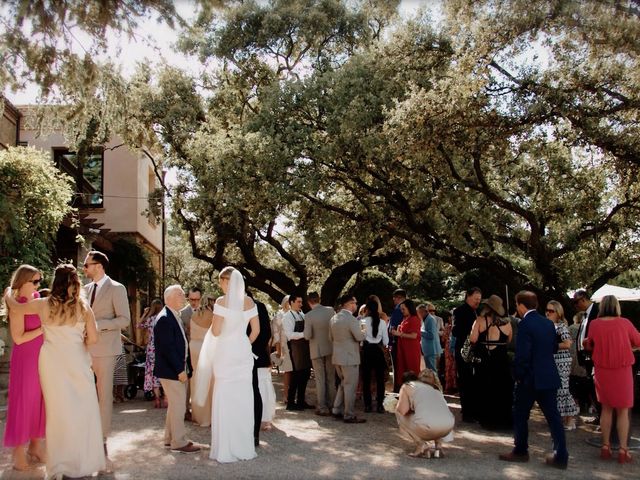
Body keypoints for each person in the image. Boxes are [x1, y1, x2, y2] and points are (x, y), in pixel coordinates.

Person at [5, 264, 106, 478]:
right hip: (78, 360)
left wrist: (7, 295)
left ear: (55, 283)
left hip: (51, 363)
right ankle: (86, 462)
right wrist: (80, 341)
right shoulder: (84, 308)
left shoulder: (42, 304)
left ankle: (60, 464)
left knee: (57, 413)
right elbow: (94, 339)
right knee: (84, 409)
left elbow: (16, 306)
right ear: (76, 283)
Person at [499, 291, 568, 469]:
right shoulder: (548, 324)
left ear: (521, 305)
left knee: (520, 414)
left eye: (516, 305)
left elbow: (523, 354)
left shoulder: (525, 325)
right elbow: (552, 347)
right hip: (548, 375)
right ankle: (561, 455)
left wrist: (518, 375)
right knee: (554, 418)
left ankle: (521, 450)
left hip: (530, 378)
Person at [196, 267, 259, 463]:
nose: (220, 285)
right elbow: (256, 331)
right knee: (243, 398)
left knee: (223, 395)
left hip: (225, 353)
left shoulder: (222, 302)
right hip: (242, 353)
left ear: (227, 282)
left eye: (221, 281)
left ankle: (225, 447)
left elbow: (215, 331)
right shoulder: (249, 301)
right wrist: (243, 344)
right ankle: (244, 446)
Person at [82, 250, 130, 460]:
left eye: (87, 265)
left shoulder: (117, 289)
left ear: (99, 266)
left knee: (103, 396)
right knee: (83, 394)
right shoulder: (84, 289)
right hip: (82, 350)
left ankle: (101, 440)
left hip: (106, 350)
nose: (84, 269)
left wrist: (97, 326)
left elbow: (124, 320)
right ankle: (84, 436)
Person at [583, 294, 640, 464]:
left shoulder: (594, 324)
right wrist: (630, 347)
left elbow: (589, 343)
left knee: (606, 409)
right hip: (622, 371)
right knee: (623, 411)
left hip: (602, 371)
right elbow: (638, 340)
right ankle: (623, 450)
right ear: (617, 307)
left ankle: (605, 446)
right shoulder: (625, 323)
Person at [2, 265, 46, 471]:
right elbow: (18, 338)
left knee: (39, 402)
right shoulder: (18, 304)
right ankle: (18, 453)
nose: (38, 285)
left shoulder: (36, 297)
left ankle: (35, 448)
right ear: (23, 282)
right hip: (25, 360)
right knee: (23, 404)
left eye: (39, 281)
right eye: (35, 281)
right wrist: (42, 329)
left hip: (41, 359)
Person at [153, 285, 200, 454]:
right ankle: (179, 442)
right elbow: (168, 348)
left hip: (174, 369)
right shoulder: (165, 318)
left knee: (174, 405)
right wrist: (180, 370)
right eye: (180, 295)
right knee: (179, 406)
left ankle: (169, 438)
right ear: (170, 298)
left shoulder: (173, 315)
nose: (184, 297)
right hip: (172, 371)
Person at [469, 295, 513, 430]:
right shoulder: (507, 323)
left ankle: (487, 419)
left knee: (485, 386)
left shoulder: (480, 320)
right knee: (502, 387)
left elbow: (473, 339)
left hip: (485, 358)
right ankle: (503, 419)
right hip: (500, 358)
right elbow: (509, 341)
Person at [395, 369, 455, 459]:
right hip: (448, 426)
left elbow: (403, 410)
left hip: (429, 427)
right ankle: (438, 447)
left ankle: (421, 445)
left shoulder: (406, 386)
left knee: (398, 412)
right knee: (435, 415)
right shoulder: (434, 388)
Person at [330, 294, 366, 423]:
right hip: (350, 357)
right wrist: (364, 329)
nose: (356, 305)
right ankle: (349, 414)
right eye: (355, 303)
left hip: (337, 356)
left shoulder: (334, 318)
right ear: (350, 304)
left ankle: (336, 409)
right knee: (350, 386)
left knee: (343, 383)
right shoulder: (351, 319)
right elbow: (360, 337)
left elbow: (331, 338)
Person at [545, 300, 578, 431]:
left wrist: (552, 346)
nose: (548, 313)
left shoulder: (561, 327)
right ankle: (559, 418)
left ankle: (570, 419)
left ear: (558, 313)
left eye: (551, 311)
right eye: (547, 310)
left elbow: (568, 343)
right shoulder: (549, 326)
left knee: (563, 389)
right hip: (552, 360)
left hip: (562, 360)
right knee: (555, 390)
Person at [303, 291, 336, 416]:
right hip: (330, 347)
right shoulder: (330, 310)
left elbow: (307, 335)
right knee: (331, 378)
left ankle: (322, 407)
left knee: (320, 379)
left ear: (309, 302)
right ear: (319, 299)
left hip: (316, 349)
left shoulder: (309, 316)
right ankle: (333, 405)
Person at [451, 287, 481, 422]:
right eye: (476, 299)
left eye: (479, 300)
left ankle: (473, 409)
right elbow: (455, 331)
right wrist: (471, 332)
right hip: (464, 350)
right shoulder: (459, 311)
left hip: (475, 351)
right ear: (468, 297)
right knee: (465, 380)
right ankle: (467, 413)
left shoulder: (477, 312)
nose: (477, 302)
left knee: (473, 381)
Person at [283, 294, 312, 410]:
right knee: (296, 375)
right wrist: (304, 334)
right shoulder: (287, 317)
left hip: (304, 348)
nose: (301, 304)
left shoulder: (302, 314)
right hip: (295, 348)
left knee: (305, 374)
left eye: (301, 302)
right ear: (291, 302)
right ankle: (291, 403)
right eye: (299, 302)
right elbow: (289, 335)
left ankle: (301, 401)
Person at [189, 294, 214, 426]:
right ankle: (208, 417)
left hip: (193, 346)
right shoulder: (212, 316)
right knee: (208, 380)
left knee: (196, 379)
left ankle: (197, 415)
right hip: (205, 348)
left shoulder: (194, 315)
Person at [361, 299, 389, 413]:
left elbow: (361, 338)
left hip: (367, 350)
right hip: (378, 350)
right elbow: (386, 341)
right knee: (380, 379)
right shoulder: (382, 322)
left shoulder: (363, 321)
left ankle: (367, 405)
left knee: (366, 379)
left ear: (367, 309)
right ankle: (379, 405)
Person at [251, 297, 276, 431]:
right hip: (246, 353)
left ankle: (264, 418)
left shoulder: (258, 306)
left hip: (258, 352)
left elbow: (266, 332)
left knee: (262, 385)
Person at [137, 298, 165, 408]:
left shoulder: (150, 319)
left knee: (153, 373)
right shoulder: (163, 319)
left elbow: (138, 325)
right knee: (164, 372)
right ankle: (166, 398)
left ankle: (157, 399)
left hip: (151, 350)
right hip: (162, 348)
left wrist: (145, 313)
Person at [390, 299, 421, 390]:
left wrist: (399, 334)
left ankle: (414, 391)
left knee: (412, 368)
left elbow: (414, 335)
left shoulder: (414, 319)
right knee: (403, 369)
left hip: (411, 349)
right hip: (403, 348)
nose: (402, 311)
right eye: (401, 309)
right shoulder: (405, 318)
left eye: (404, 309)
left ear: (409, 308)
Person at [271, 295, 293, 402]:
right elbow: (276, 334)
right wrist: (279, 350)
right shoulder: (279, 315)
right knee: (287, 372)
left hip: (296, 345)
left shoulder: (297, 314)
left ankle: (294, 395)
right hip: (285, 346)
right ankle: (286, 396)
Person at [388, 289, 407, 392]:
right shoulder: (401, 309)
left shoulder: (399, 309)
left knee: (398, 366)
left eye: (394, 298)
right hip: (397, 340)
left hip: (396, 340)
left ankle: (398, 388)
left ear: (399, 298)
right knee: (397, 366)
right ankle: (398, 387)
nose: (393, 300)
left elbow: (394, 326)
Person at [418, 304, 442, 372]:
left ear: (423, 312)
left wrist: (419, 332)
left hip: (431, 350)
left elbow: (431, 335)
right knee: (430, 370)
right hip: (428, 349)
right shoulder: (425, 319)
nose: (418, 314)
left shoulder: (430, 319)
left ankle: (435, 383)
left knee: (432, 371)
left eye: (419, 312)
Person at [442, 312, 457, 393]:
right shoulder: (448, 327)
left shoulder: (453, 328)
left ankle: (453, 386)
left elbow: (443, 338)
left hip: (452, 348)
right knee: (450, 367)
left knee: (453, 367)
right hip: (449, 349)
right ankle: (450, 386)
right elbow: (443, 338)